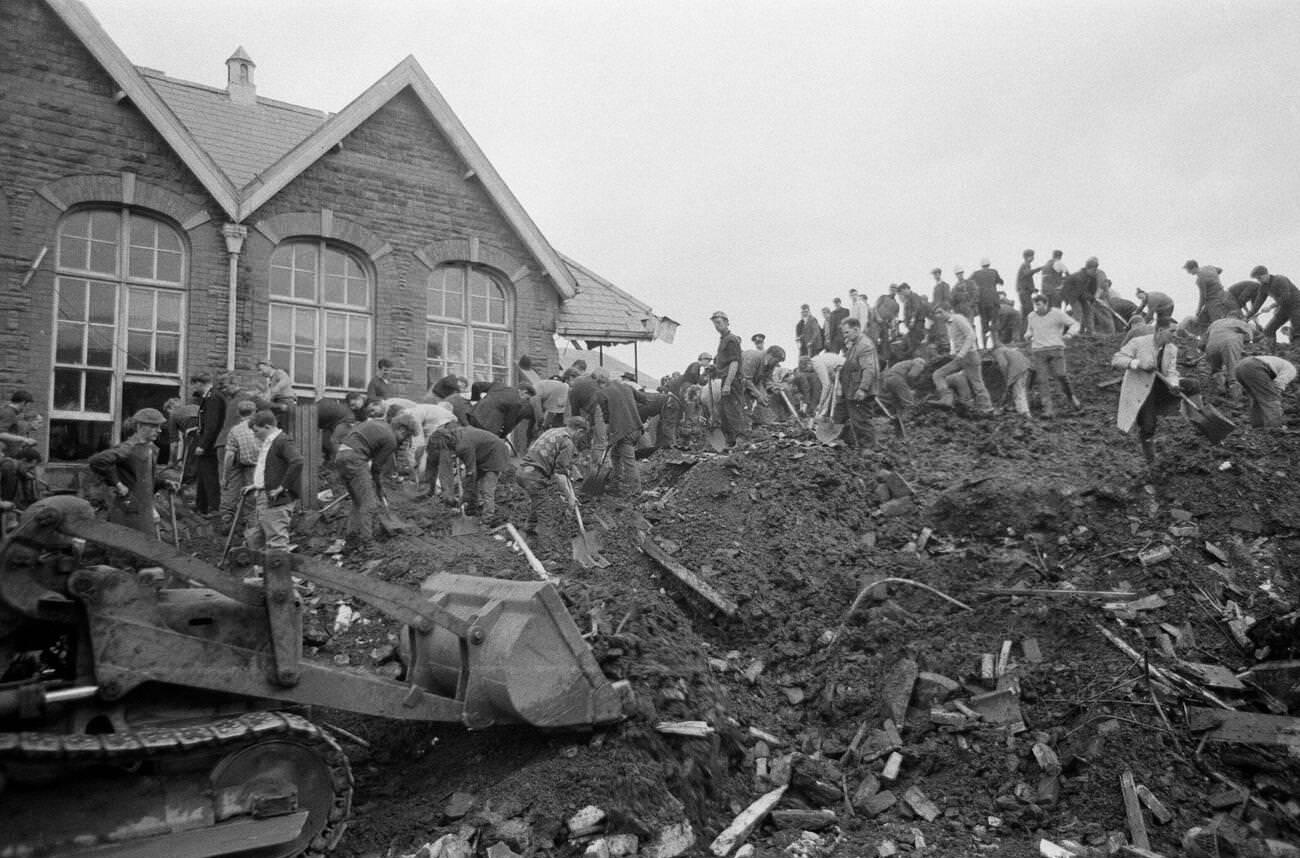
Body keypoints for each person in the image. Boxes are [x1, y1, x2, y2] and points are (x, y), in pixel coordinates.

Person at [334, 401, 411, 550]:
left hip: (341, 456)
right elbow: (376, 467)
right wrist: (379, 487)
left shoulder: (380, 426)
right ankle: (368, 543)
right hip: (355, 459)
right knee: (369, 504)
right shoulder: (391, 439)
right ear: (401, 429)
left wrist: (375, 484)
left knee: (358, 502)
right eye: (406, 436)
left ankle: (352, 537)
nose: (404, 440)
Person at [88, 408, 174, 535]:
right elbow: (97, 460)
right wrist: (118, 484)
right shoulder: (128, 448)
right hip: (128, 510)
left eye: (160, 426)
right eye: (154, 426)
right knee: (127, 547)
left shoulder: (151, 448)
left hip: (144, 508)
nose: (159, 430)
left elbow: (144, 479)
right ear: (139, 426)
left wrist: (163, 483)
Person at [1111, 321, 1187, 466]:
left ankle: (1188, 414)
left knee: (1191, 385)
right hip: (1140, 387)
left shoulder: (1171, 349)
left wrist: (1174, 384)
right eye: (1171, 331)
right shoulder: (1138, 342)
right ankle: (1150, 460)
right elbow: (1116, 359)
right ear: (1160, 330)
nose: (1174, 335)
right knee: (1148, 425)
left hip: (1159, 386)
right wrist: (1138, 364)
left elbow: (1171, 371)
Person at [515, 416, 588, 537]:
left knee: (538, 500)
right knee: (545, 512)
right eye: (581, 435)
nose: (580, 439)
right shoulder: (567, 442)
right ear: (579, 431)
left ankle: (529, 529)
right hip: (534, 476)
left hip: (522, 471)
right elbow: (559, 474)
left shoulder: (553, 431)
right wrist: (569, 497)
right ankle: (547, 549)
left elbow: (560, 465)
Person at [243, 410, 303, 553]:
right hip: (265, 495)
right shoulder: (270, 442)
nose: (255, 434)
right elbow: (270, 468)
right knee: (257, 539)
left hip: (276, 499)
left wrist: (283, 487)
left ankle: (280, 574)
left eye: (256, 431)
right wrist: (256, 485)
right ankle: (262, 572)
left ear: (268, 427)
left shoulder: (282, 441)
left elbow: (297, 461)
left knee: (276, 543)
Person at [427, 422, 510, 521]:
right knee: (468, 482)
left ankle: (488, 518)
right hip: (482, 454)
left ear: (446, 441)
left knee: (486, 488)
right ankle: (471, 508)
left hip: (496, 455)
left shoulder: (463, 445)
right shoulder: (455, 437)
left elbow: (471, 471)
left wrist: (466, 494)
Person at [1024, 294, 1081, 417]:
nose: (1036, 307)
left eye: (1039, 304)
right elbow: (1030, 330)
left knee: (1061, 375)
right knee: (1042, 380)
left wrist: (1070, 334)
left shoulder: (1057, 314)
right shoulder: (1031, 316)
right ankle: (1048, 409)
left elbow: (1074, 324)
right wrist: (1028, 334)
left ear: (1045, 304)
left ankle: (1072, 398)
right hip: (1039, 351)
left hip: (1056, 349)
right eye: (1035, 305)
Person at [930, 307, 994, 416]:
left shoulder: (958, 319)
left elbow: (971, 335)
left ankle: (987, 409)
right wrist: (953, 352)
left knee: (977, 383)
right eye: (936, 314)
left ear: (947, 310)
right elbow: (956, 340)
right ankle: (947, 399)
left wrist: (961, 353)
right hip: (960, 357)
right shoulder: (948, 324)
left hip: (969, 355)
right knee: (938, 374)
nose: (938, 316)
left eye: (940, 313)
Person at [834, 317, 879, 448]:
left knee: (861, 421)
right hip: (850, 389)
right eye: (843, 333)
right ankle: (846, 444)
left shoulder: (865, 346)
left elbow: (869, 369)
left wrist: (863, 389)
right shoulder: (855, 344)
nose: (845, 336)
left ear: (856, 329)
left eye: (846, 332)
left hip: (859, 390)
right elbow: (853, 365)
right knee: (839, 415)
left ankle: (869, 450)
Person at [602, 373, 646, 496]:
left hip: (625, 433)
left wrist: (608, 435)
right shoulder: (627, 387)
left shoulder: (605, 393)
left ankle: (635, 491)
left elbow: (606, 417)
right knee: (615, 454)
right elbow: (643, 399)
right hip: (637, 427)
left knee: (629, 461)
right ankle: (616, 482)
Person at [190, 372, 226, 517]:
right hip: (208, 442)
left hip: (210, 444)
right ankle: (201, 505)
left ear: (199, 383)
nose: (194, 388)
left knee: (209, 475)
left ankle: (213, 507)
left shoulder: (213, 398)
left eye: (194, 384)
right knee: (203, 473)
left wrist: (203, 444)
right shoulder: (210, 397)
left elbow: (212, 424)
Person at [219, 400, 259, 530]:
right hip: (256, 466)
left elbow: (229, 455)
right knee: (252, 499)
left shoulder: (235, 430)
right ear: (255, 412)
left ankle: (227, 519)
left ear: (238, 413)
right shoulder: (260, 428)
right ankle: (251, 527)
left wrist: (225, 477)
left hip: (239, 464)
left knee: (230, 491)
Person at [711, 310, 748, 447]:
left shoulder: (731, 339)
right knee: (724, 411)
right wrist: (714, 369)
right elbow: (725, 363)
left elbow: (734, 362)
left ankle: (741, 441)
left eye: (719, 322)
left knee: (733, 410)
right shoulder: (723, 340)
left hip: (731, 380)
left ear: (727, 323)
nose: (716, 326)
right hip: (725, 378)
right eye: (715, 323)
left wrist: (727, 383)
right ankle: (731, 441)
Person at [1203, 312, 1255, 400]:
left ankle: (1220, 388)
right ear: (1239, 317)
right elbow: (1249, 338)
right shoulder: (1240, 323)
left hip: (1211, 345)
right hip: (1230, 343)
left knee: (1216, 370)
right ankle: (1236, 398)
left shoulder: (1215, 323)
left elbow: (1202, 342)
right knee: (1233, 370)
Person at [0, 390, 39, 505]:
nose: (26, 408)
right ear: (23, 402)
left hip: (6, 454)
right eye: (28, 405)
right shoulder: (9, 413)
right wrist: (24, 440)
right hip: (4, 455)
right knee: (10, 471)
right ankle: (7, 505)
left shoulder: (7, 411)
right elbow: (1, 433)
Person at [1235, 356, 1296, 428]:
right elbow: (1278, 384)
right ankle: (1275, 428)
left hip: (1239, 367)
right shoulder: (1292, 371)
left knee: (1257, 399)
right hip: (1254, 366)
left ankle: (1258, 427)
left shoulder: (1283, 365)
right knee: (1271, 399)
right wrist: (1277, 398)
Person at [1252, 265, 1300, 348]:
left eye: (1259, 278)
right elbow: (1258, 302)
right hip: (1284, 308)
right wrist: (1249, 315)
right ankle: (1271, 352)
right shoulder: (1263, 287)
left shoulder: (1280, 279)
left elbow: (1286, 296)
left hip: (1297, 305)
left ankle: (1296, 354)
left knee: (1297, 331)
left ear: (1266, 274)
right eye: (1257, 279)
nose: (1259, 281)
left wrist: (1270, 307)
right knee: (1268, 330)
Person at [469, 382, 536, 440]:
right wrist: (503, 435)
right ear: (523, 392)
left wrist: (475, 400)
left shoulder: (499, 385)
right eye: (527, 398)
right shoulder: (517, 403)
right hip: (487, 427)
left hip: (472, 416)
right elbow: (509, 424)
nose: (526, 401)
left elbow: (476, 385)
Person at [740, 345, 787, 425]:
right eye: (777, 361)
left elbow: (767, 379)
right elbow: (746, 380)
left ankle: (760, 422)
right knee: (742, 405)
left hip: (752, 382)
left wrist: (773, 387)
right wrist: (758, 395)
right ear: (770, 356)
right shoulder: (753, 357)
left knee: (765, 399)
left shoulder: (770, 364)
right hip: (737, 383)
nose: (777, 364)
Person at [317, 391, 367, 462]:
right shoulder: (349, 417)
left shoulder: (343, 409)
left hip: (316, 411)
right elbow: (334, 441)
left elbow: (328, 438)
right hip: (314, 416)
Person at [254, 359, 297, 436]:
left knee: (285, 428)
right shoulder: (270, 380)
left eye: (260, 370)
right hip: (278, 403)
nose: (260, 373)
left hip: (286, 402)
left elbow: (285, 381)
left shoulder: (279, 372)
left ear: (268, 366)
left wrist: (273, 390)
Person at [1061, 258, 1101, 336]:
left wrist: (1092, 298)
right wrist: (1091, 298)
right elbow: (1080, 292)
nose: (1095, 272)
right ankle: (1072, 332)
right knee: (1078, 312)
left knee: (1088, 311)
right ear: (1088, 269)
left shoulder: (1091, 276)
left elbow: (1091, 290)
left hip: (1080, 295)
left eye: (1096, 270)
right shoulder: (1079, 277)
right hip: (1072, 295)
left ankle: (1090, 331)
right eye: (1093, 270)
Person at [991, 344, 1032, 417]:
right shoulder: (1009, 350)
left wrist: (1007, 378)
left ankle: (1024, 412)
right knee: (1019, 389)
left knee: (1018, 391)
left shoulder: (998, 352)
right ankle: (1012, 406)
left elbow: (1003, 365)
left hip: (1017, 370)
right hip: (1026, 367)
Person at [1185, 260, 1230, 327]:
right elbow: (1220, 270)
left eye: (1188, 270)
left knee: (1217, 323)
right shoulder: (1209, 267)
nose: (1188, 272)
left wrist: (1198, 310)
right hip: (1223, 294)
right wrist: (1214, 278)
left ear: (1193, 268)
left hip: (1213, 301)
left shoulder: (1200, 279)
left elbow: (1203, 296)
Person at [972, 258, 1005, 347]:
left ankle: (985, 346)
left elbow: (969, 282)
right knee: (994, 324)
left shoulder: (976, 274)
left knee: (984, 325)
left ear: (981, 265)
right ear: (989, 265)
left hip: (982, 303)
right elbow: (1001, 282)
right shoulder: (993, 272)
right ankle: (996, 345)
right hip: (993, 302)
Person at [161, 396, 199, 470]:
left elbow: (174, 444)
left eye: (167, 412)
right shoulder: (194, 406)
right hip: (208, 432)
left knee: (189, 463)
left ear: (170, 408)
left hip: (193, 434)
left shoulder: (173, 415)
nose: (168, 414)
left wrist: (171, 461)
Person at [1016, 250, 1042, 320]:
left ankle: (1024, 328)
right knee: (1029, 311)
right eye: (1032, 256)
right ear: (1028, 257)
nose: (1033, 258)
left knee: (1026, 312)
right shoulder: (1025, 265)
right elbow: (1027, 273)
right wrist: (1038, 269)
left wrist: (1033, 289)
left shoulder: (1026, 265)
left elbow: (1026, 279)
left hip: (1025, 291)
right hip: (1024, 292)